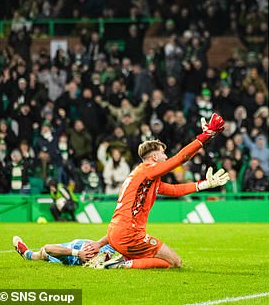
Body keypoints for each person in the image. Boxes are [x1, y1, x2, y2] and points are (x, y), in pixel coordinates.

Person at [83, 114, 229, 269]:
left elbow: (174, 190)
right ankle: (122, 263)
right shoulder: (148, 170)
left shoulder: (142, 176)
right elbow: (180, 158)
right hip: (130, 235)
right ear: (154, 157)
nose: (166, 157)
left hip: (115, 232)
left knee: (166, 263)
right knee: (176, 262)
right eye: (163, 153)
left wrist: (204, 185)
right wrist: (204, 137)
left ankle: (119, 260)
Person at [12, 236, 116, 266]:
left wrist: (78, 254)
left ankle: (26, 254)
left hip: (68, 252)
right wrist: (98, 243)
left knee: (42, 253)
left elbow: (49, 248)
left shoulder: (72, 259)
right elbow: (115, 235)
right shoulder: (108, 249)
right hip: (76, 247)